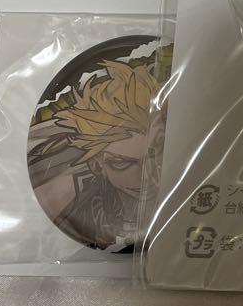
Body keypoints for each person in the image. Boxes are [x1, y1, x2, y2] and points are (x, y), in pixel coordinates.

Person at [28, 58, 162, 250]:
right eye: (122, 163)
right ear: (96, 165)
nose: (147, 176)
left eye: (156, 153)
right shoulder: (83, 217)